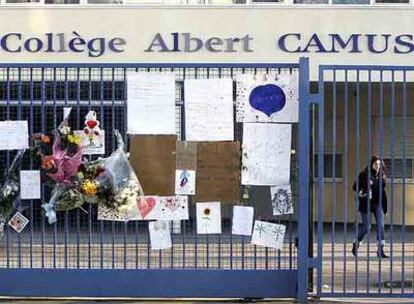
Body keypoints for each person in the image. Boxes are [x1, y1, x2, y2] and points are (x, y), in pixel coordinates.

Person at [352, 155, 388, 258]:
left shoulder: (382, 176)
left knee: (380, 226)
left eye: (379, 164)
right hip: (366, 204)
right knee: (367, 227)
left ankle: (380, 250)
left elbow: (383, 193)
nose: (378, 166)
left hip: (378, 204)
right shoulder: (364, 175)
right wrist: (365, 184)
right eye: (375, 164)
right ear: (371, 164)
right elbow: (355, 187)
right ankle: (356, 244)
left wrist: (385, 208)